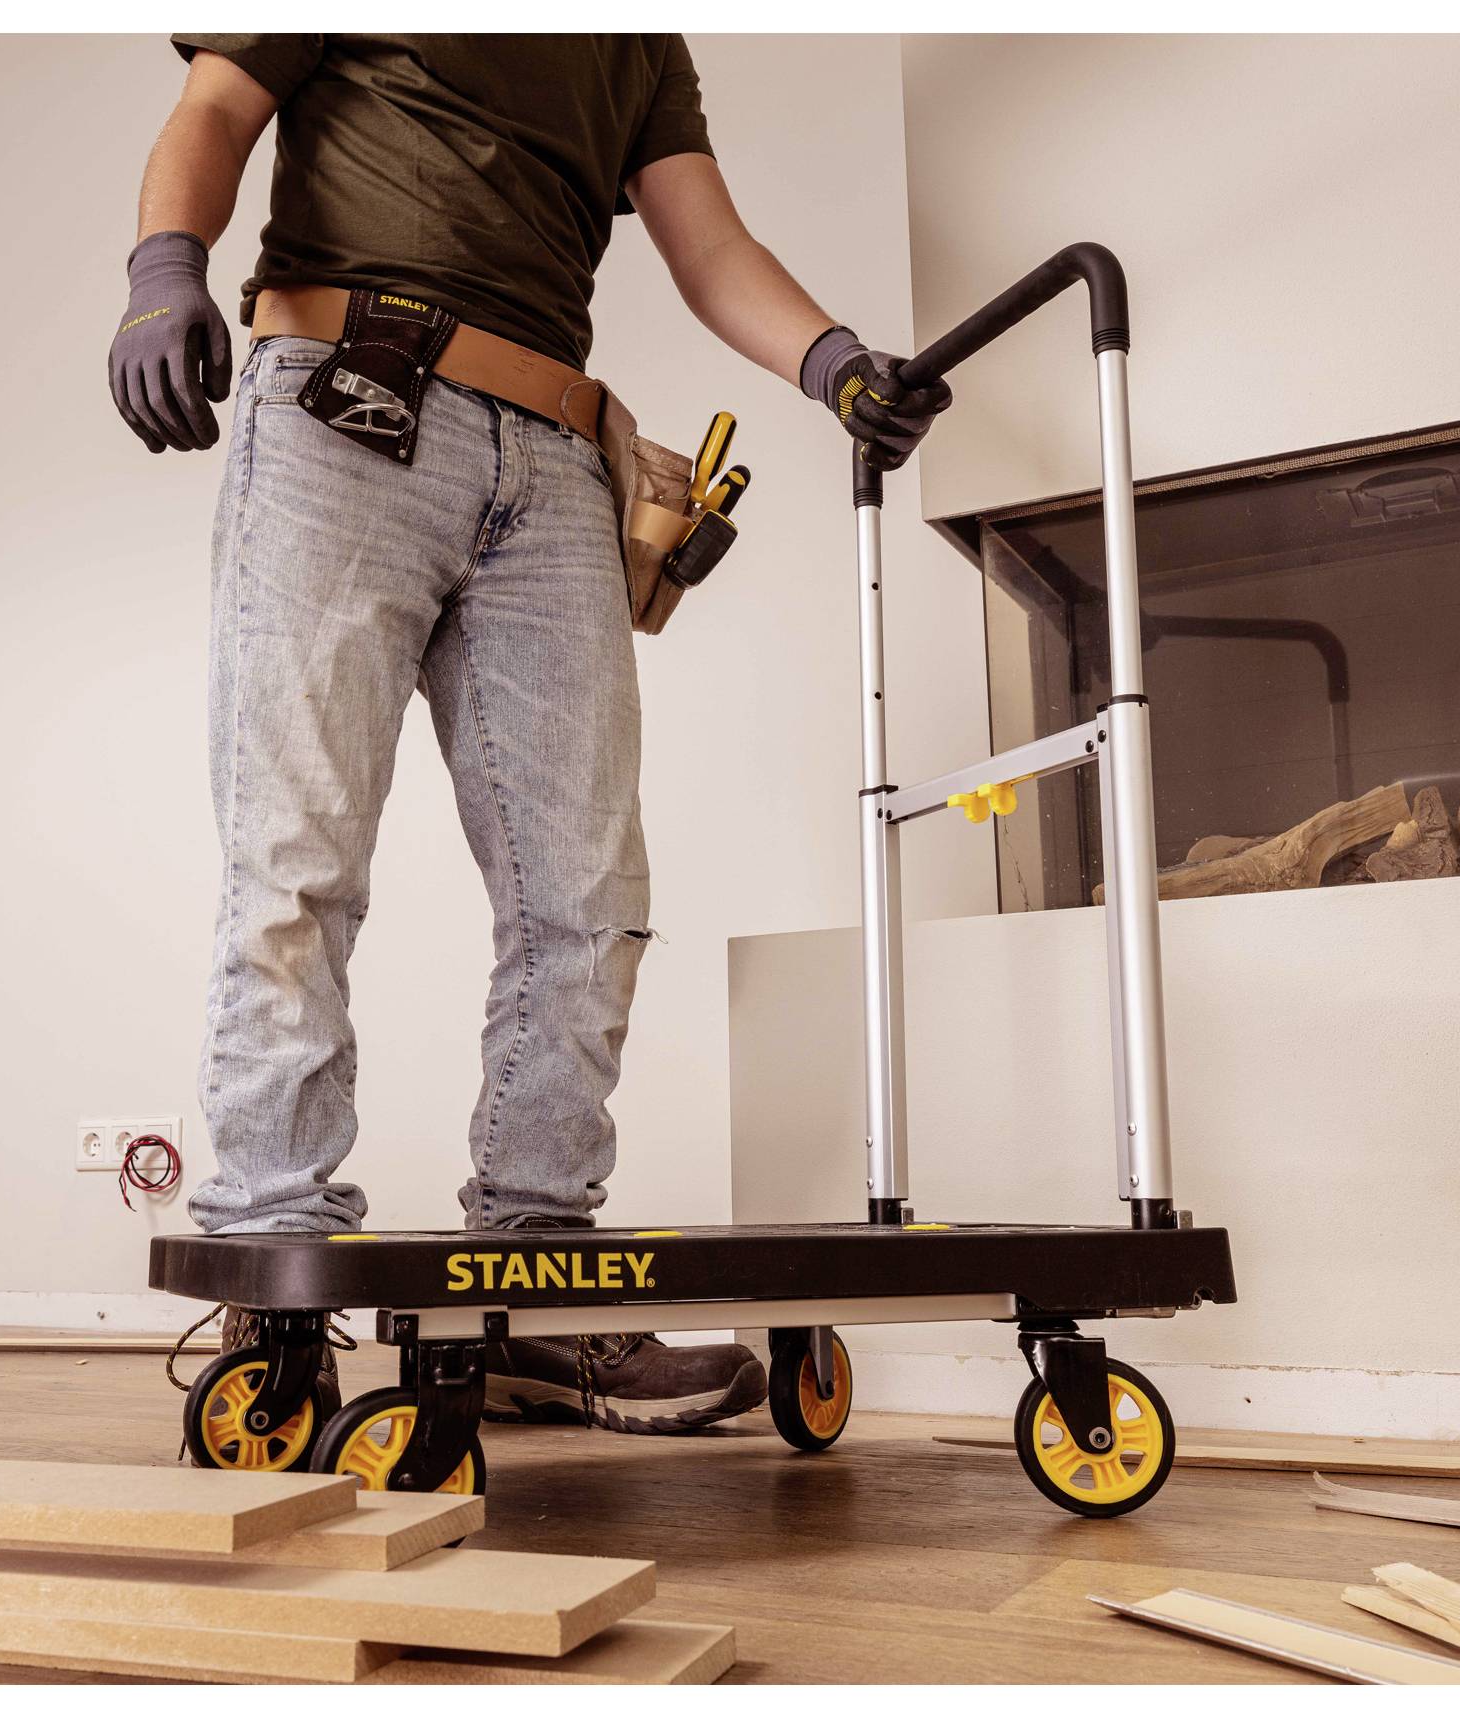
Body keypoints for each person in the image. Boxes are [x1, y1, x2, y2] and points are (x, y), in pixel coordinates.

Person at [113, 35, 947, 1435]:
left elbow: (708, 246)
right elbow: (215, 105)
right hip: (343, 397)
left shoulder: (638, 41)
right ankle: (276, 1282)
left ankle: (536, 1278)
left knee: (589, 899)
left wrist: (836, 365)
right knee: (297, 859)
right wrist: (163, 269)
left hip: (556, 453)